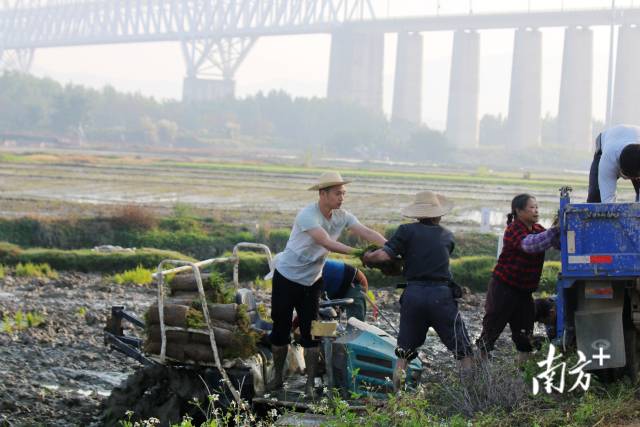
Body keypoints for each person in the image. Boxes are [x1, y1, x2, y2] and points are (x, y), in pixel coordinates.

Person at [268, 171, 386, 397]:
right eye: (337, 193)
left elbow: (367, 232)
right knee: (281, 328)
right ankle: (277, 377)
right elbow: (326, 242)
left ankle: (310, 384)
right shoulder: (307, 215)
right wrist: (363, 254)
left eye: (344, 193)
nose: (342, 197)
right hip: (287, 278)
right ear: (323, 194)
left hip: (312, 281)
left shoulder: (342, 216)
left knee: (311, 330)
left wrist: (389, 248)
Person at [363, 190, 474, 391]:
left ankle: (397, 397)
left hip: (414, 294)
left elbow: (383, 257)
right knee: (463, 349)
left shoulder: (406, 231)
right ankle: (470, 394)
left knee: (404, 352)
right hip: (441, 295)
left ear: (417, 214)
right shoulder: (447, 235)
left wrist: (367, 257)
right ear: (439, 214)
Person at [476, 194, 560, 365]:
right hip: (504, 288)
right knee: (492, 327)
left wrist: (561, 230)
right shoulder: (513, 229)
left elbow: (554, 242)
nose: (536, 210)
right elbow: (530, 245)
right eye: (532, 207)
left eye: (537, 207)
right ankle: (478, 371)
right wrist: (554, 231)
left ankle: (522, 371)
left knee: (525, 334)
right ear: (519, 211)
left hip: (524, 291)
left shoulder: (538, 229)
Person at [588, 124, 640, 203]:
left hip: (633, 138)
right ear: (620, 170)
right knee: (595, 198)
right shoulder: (608, 161)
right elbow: (607, 202)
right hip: (604, 142)